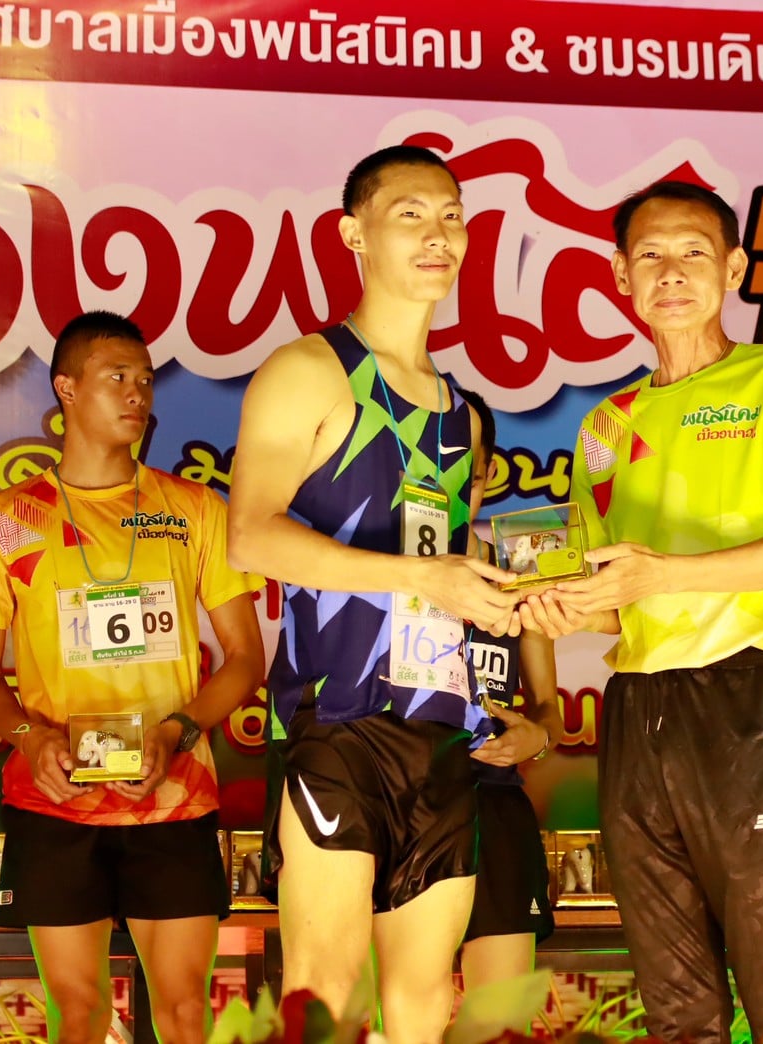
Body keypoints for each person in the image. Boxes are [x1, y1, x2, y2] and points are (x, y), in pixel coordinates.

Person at [521, 181, 763, 1041]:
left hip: (750, 693)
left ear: (733, 269)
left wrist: (662, 575)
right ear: (620, 275)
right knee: (674, 1001)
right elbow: (619, 602)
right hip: (637, 708)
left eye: (693, 253)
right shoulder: (605, 426)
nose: (670, 272)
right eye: (650, 255)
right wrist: (556, 606)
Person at [227, 145, 516, 1043]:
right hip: (338, 725)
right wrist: (418, 575)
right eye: (411, 216)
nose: (439, 236)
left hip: (443, 726)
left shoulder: (460, 409)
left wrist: (514, 602)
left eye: (452, 217)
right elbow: (251, 534)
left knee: (426, 1000)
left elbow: (451, 568)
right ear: (354, 235)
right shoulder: (308, 370)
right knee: (326, 996)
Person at [0, 312, 265, 1044]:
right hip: (55, 801)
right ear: (66, 388)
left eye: (146, 380)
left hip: (174, 798)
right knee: (79, 1016)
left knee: (184, 1015)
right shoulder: (5, 519)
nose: (137, 393)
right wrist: (31, 741)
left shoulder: (193, 509)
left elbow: (247, 659)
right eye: (117, 376)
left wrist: (178, 731)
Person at [458, 389, 561, 990]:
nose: (456, 486)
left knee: (496, 1016)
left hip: (494, 806)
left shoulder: (522, 563)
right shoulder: (375, 565)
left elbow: (548, 709)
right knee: (401, 1010)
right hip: (400, 801)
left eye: (469, 475)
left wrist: (536, 739)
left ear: (488, 471)